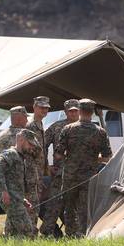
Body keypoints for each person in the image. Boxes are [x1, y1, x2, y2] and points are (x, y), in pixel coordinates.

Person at [56, 98, 112, 237]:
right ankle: (84, 234)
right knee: (85, 208)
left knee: (69, 207)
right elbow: (107, 157)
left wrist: (71, 159)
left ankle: (70, 234)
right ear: (92, 112)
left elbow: (58, 155)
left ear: (79, 111)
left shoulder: (68, 129)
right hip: (88, 177)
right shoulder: (100, 132)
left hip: (70, 175)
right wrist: (94, 159)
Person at [40, 99, 80, 237]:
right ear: (65, 112)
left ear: (79, 111)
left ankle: (76, 232)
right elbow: (41, 145)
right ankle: (48, 231)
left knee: (76, 204)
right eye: (70, 111)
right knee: (54, 203)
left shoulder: (87, 127)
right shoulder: (57, 127)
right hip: (60, 173)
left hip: (80, 174)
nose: (73, 113)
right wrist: (46, 166)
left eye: (76, 110)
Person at [0, 129, 41, 237]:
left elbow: (14, 181)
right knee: (27, 230)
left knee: (12, 233)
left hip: (16, 198)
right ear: (21, 140)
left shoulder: (20, 156)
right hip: (10, 199)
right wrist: (4, 192)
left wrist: (22, 199)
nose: (31, 147)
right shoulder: (10, 154)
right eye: (30, 144)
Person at [25, 95, 50, 233]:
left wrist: (45, 170)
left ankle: (31, 229)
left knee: (36, 201)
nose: (44, 111)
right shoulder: (30, 125)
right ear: (34, 107)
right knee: (31, 201)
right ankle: (29, 230)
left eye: (46, 108)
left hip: (38, 171)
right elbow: (27, 150)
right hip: (30, 171)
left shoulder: (40, 124)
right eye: (41, 108)